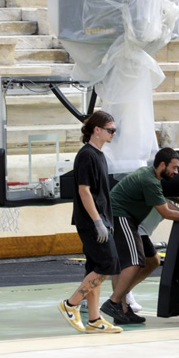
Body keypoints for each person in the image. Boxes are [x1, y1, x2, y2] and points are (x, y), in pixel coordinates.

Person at [100, 147, 179, 325]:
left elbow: (167, 201)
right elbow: (166, 212)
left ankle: (122, 306)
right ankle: (114, 303)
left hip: (128, 219)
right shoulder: (150, 181)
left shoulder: (151, 176)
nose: (176, 172)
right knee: (134, 262)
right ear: (163, 164)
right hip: (119, 216)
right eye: (174, 167)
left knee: (152, 260)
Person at [58, 111, 123, 334]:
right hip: (91, 222)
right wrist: (97, 221)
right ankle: (71, 304)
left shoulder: (99, 155)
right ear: (97, 130)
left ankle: (94, 319)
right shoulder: (87, 155)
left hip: (101, 220)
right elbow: (84, 191)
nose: (113, 133)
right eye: (110, 130)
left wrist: (105, 221)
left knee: (95, 269)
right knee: (109, 265)